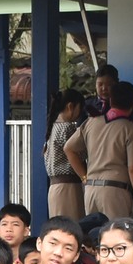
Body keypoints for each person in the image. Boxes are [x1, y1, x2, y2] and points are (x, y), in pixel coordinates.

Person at [69, 79, 133, 222]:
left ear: (110, 100)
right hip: (115, 192)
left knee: (93, 234)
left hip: (91, 191)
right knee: (116, 233)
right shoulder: (131, 129)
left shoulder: (91, 122)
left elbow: (69, 148)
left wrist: (84, 177)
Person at [45, 89, 87, 223]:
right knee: (72, 228)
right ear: (70, 106)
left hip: (54, 188)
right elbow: (77, 154)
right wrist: (85, 177)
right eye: (80, 108)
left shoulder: (52, 127)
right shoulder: (67, 128)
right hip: (69, 188)